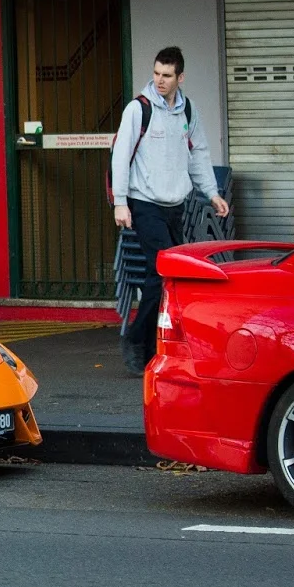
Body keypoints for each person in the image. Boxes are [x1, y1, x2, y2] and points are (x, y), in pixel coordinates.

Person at [111, 46, 230, 375]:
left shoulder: (188, 111)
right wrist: (121, 201)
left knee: (167, 278)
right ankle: (137, 340)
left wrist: (212, 193)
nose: (159, 80)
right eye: (156, 74)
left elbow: (199, 154)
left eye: (167, 75)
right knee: (163, 272)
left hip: (175, 205)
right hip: (144, 203)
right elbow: (121, 156)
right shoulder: (139, 109)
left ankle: (153, 346)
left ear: (180, 77)